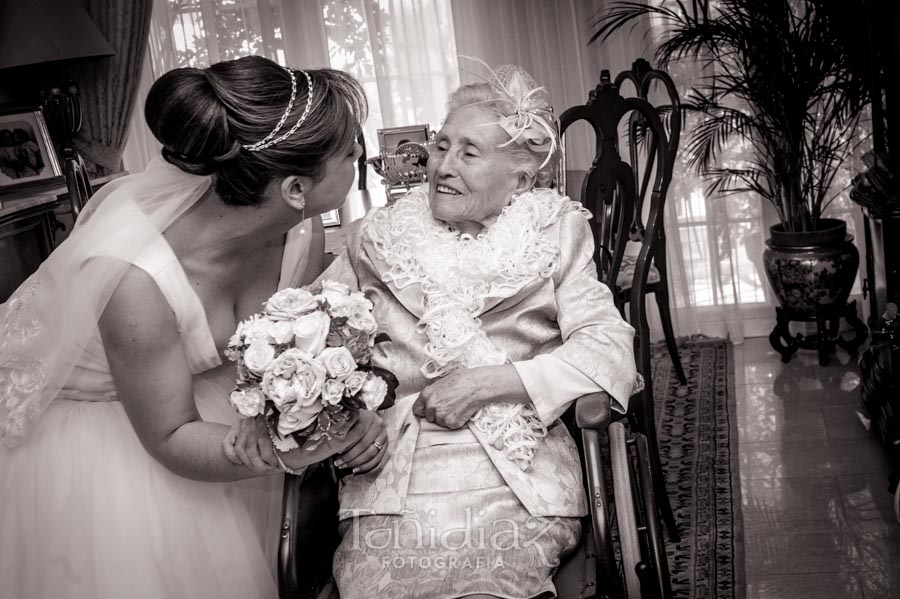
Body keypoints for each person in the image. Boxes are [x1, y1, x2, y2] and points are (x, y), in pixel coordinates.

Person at [232, 62, 639, 598]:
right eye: (441, 145)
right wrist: (354, 421)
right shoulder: (376, 237)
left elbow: (608, 347)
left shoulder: (555, 233)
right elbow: (305, 338)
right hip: (392, 472)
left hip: (514, 472)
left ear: (521, 177)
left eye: (469, 153)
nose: (442, 165)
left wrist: (490, 383)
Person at [0, 55, 388, 599]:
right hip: (111, 437)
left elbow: (289, 358)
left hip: (212, 405)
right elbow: (169, 434)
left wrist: (344, 415)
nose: (362, 164)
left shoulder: (302, 237)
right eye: (353, 154)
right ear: (296, 189)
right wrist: (291, 450)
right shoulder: (134, 278)